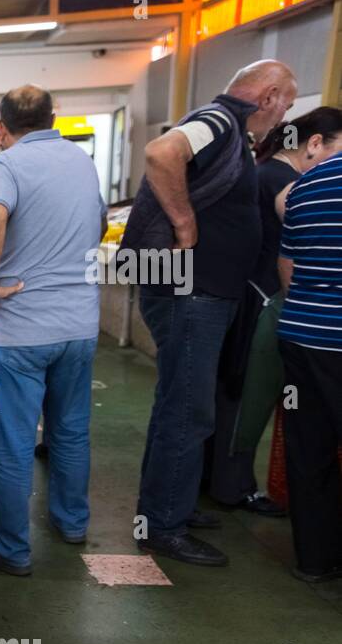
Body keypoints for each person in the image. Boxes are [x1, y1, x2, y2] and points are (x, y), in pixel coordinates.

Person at [125, 60, 297, 566]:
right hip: (190, 292)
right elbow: (161, 153)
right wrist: (184, 225)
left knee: (179, 404)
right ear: (267, 96)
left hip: (199, 292)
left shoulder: (231, 131)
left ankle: (168, 505)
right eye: (286, 103)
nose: (285, 115)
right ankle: (163, 525)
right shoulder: (219, 120)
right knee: (187, 408)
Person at [0, 85, 106, 576]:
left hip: (20, 330)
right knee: (70, 431)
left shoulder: (6, 164)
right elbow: (98, 223)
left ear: (1, 127)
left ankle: (11, 549)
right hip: (79, 325)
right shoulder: (82, 161)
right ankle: (72, 523)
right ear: (54, 119)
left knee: (11, 441)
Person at [207, 107, 342, 517]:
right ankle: (234, 487)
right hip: (268, 303)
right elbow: (290, 256)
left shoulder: (268, 172)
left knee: (240, 394)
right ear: (314, 143)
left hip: (259, 299)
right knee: (250, 399)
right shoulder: (284, 181)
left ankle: (223, 482)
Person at [277, 146, 342, 583]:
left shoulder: (306, 183)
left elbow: (288, 264)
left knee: (309, 449)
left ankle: (315, 559)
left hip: (301, 334)